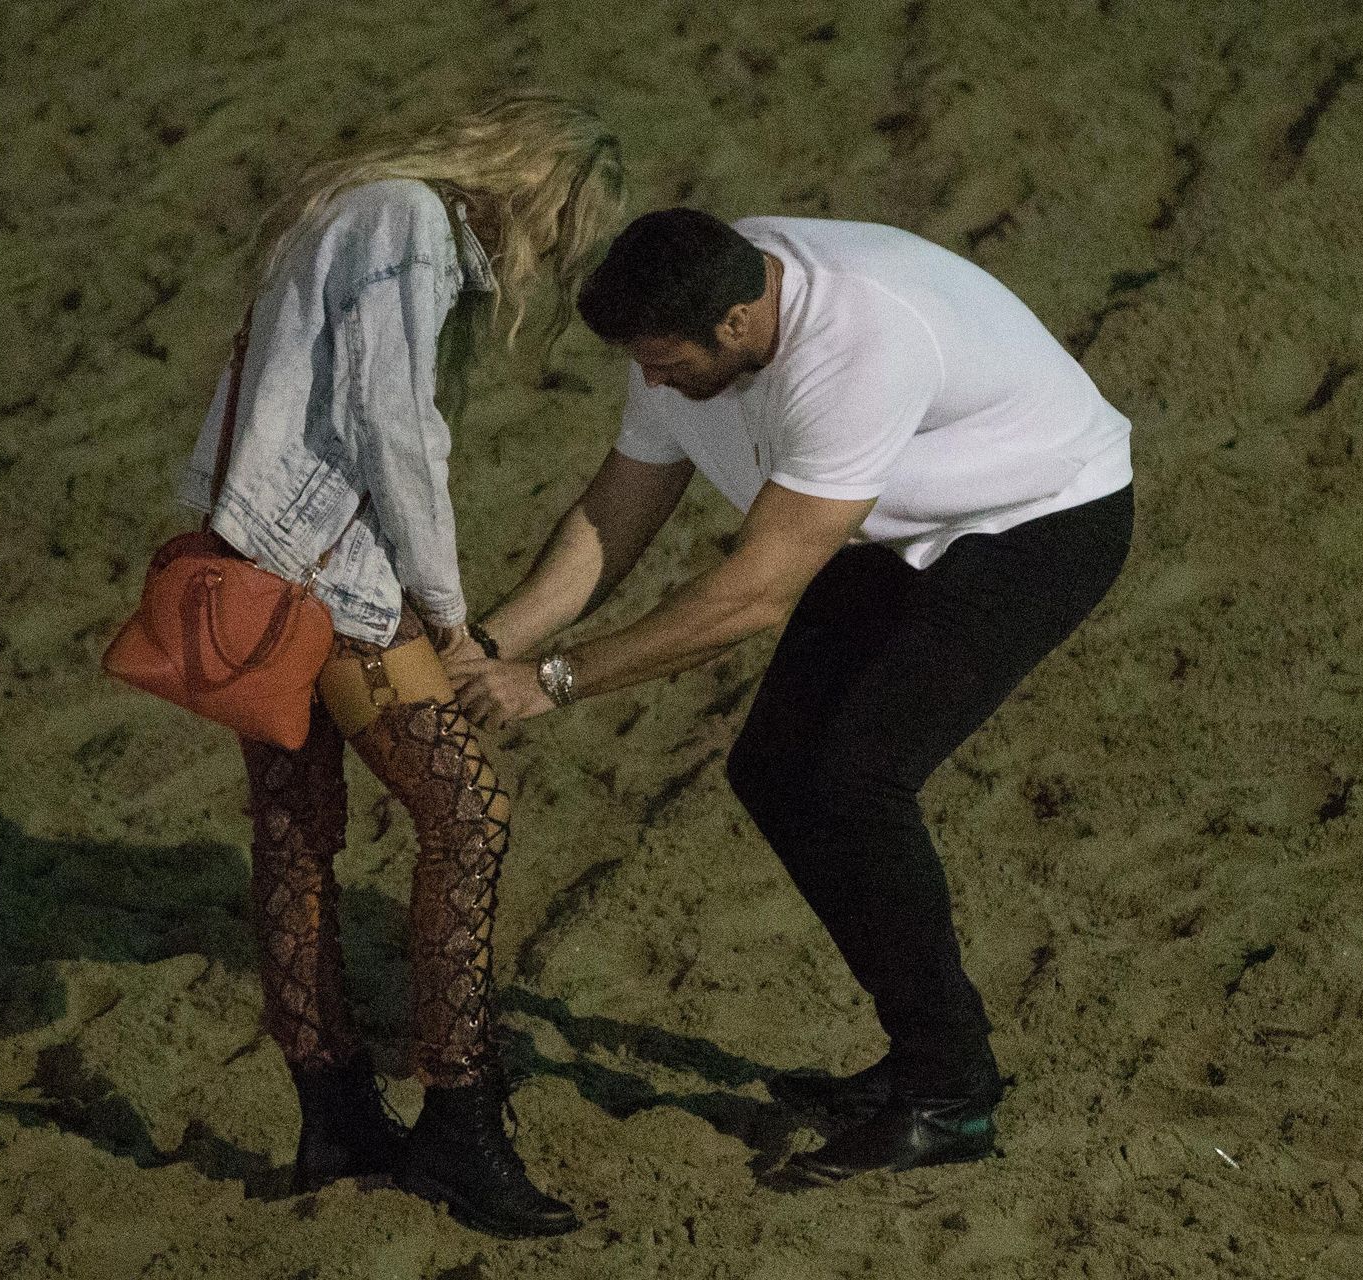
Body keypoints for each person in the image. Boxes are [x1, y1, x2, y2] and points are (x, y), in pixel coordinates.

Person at [451, 207, 1133, 1183]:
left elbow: (753, 595)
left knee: (856, 781)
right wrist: (490, 644)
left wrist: (554, 680)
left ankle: (950, 1095)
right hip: (890, 516)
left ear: (734, 326)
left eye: (661, 360)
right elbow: (616, 509)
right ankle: (928, 1054)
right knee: (775, 769)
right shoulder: (694, 298)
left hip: (1038, 520)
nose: (648, 380)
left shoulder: (853, 345)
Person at [174, 93, 623, 1236]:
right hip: (327, 576)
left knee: (295, 832)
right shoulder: (407, 226)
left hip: (257, 563)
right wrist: (446, 608)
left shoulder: (362, 213)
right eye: (565, 225)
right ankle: (459, 1122)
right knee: (466, 815)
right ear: (539, 191)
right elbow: (394, 428)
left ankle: (335, 1112)